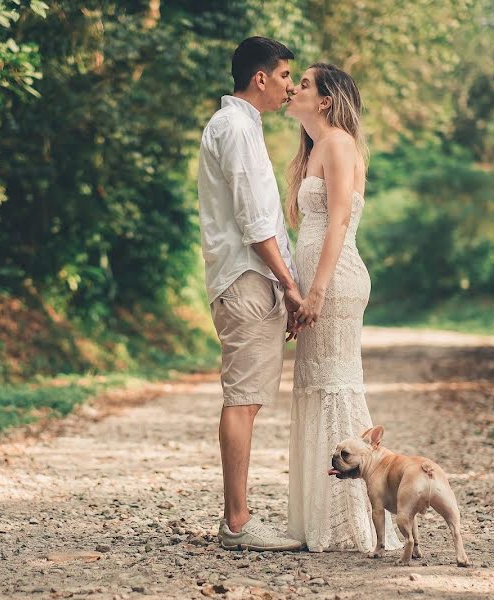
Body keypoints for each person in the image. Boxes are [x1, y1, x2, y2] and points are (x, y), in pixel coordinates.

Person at [284, 63, 403, 553]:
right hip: (317, 283)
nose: (293, 89)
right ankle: (323, 518)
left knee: (334, 386)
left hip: (335, 284)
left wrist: (316, 291)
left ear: (327, 100)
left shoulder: (338, 144)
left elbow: (336, 225)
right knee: (315, 386)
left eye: (304, 84)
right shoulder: (312, 151)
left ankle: (352, 521)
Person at [197, 36, 304, 551]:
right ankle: (237, 522)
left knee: (248, 400)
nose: (290, 86)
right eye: (286, 76)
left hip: (248, 277)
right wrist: (289, 284)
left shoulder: (241, 126)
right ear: (260, 78)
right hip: (246, 279)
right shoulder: (236, 127)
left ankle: (238, 518)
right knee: (242, 400)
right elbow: (254, 220)